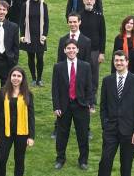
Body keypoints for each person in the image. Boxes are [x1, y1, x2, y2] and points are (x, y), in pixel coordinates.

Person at [98, 50, 134, 176]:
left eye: (121, 60)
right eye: (116, 60)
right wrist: (105, 124)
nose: (119, 63)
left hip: (129, 131)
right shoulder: (107, 81)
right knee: (105, 162)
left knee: (126, 166)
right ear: (113, 62)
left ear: (127, 62)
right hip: (110, 130)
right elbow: (103, 105)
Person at [52, 39, 93, 170]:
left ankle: (83, 161)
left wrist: (89, 103)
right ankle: (60, 159)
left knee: (83, 135)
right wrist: (56, 106)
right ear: (64, 50)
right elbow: (55, 89)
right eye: (68, 48)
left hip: (81, 105)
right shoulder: (58, 67)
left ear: (77, 50)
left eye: (73, 48)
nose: (71, 50)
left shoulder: (85, 66)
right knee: (62, 134)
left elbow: (89, 86)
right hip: (64, 106)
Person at [52, 12, 91, 139]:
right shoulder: (63, 40)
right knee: (62, 106)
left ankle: (87, 129)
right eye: (71, 22)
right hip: (65, 77)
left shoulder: (86, 41)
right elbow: (59, 60)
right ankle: (57, 128)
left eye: (75, 21)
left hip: (79, 79)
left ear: (79, 22)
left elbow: (87, 61)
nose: (73, 24)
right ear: (68, 23)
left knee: (82, 113)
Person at [0, 66, 35, 176]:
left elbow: (31, 117)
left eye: (19, 76)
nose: (16, 78)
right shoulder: (2, 92)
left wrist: (31, 136)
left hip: (22, 132)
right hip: (4, 132)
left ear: (23, 78)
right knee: (1, 159)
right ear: (10, 77)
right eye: (14, 75)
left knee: (19, 161)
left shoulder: (28, 94)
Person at [19, 0, 49, 86]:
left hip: (40, 36)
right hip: (29, 36)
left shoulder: (43, 4)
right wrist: (22, 35)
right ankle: (33, 78)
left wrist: (45, 34)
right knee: (30, 57)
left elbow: (46, 21)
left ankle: (39, 79)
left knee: (40, 57)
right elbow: (21, 21)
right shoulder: (25, 5)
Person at [79, 0, 106, 105]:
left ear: (94, 1)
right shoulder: (78, 16)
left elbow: (103, 35)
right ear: (83, 0)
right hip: (81, 51)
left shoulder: (99, 16)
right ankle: (82, 96)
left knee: (94, 75)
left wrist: (102, 52)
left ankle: (92, 99)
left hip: (95, 51)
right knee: (81, 74)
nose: (89, 1)